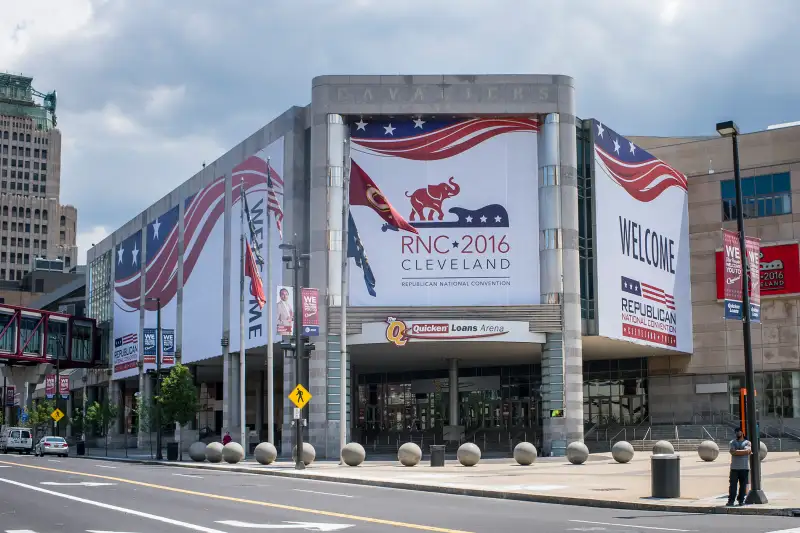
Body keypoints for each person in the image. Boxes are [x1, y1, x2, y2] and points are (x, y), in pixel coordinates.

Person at [727, 427, 752, 506]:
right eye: (736, 432)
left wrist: (737, 451)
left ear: (742, 432)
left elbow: (748, 451)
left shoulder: (747, 442)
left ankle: (741, 500)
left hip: (744, 468)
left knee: (743, 486)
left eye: (739, 432)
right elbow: (732, 452)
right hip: (734, 468)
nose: (737, 433)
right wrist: (743, 452)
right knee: (732, 486)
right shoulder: (732, 442)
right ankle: (731, 501)